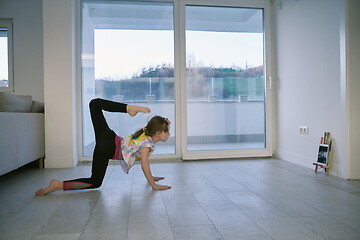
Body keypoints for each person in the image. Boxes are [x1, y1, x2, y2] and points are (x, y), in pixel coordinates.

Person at [35, 98, 171, 196]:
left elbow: (143, 163)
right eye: (167, 131)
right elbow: (144, 165)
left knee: (94, 104)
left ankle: (128, 108)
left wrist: (152, 177)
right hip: (108, 146)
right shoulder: (147, 145)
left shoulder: (145, 135)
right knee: (95, 182)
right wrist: (154, 185)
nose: (169, 134)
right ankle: (59, 185)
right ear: (158, 133)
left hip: (108, 137)